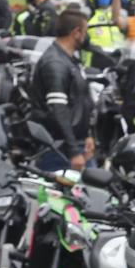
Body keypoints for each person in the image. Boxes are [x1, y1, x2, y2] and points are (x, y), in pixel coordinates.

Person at [34, 11, 95, 168]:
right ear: (76, 33)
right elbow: (58, 110)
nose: (86, 37)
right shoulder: (55, 64)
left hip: (75, 143)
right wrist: (74, 151)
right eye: (85, 32)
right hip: (60, 149)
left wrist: (87, 135)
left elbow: (80, 102)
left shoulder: (69, 60)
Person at [83, 0, 125, 65]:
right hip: (94, 62)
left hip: (118, 60)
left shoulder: (119, 14)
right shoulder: (87, 14)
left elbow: (116, 19)